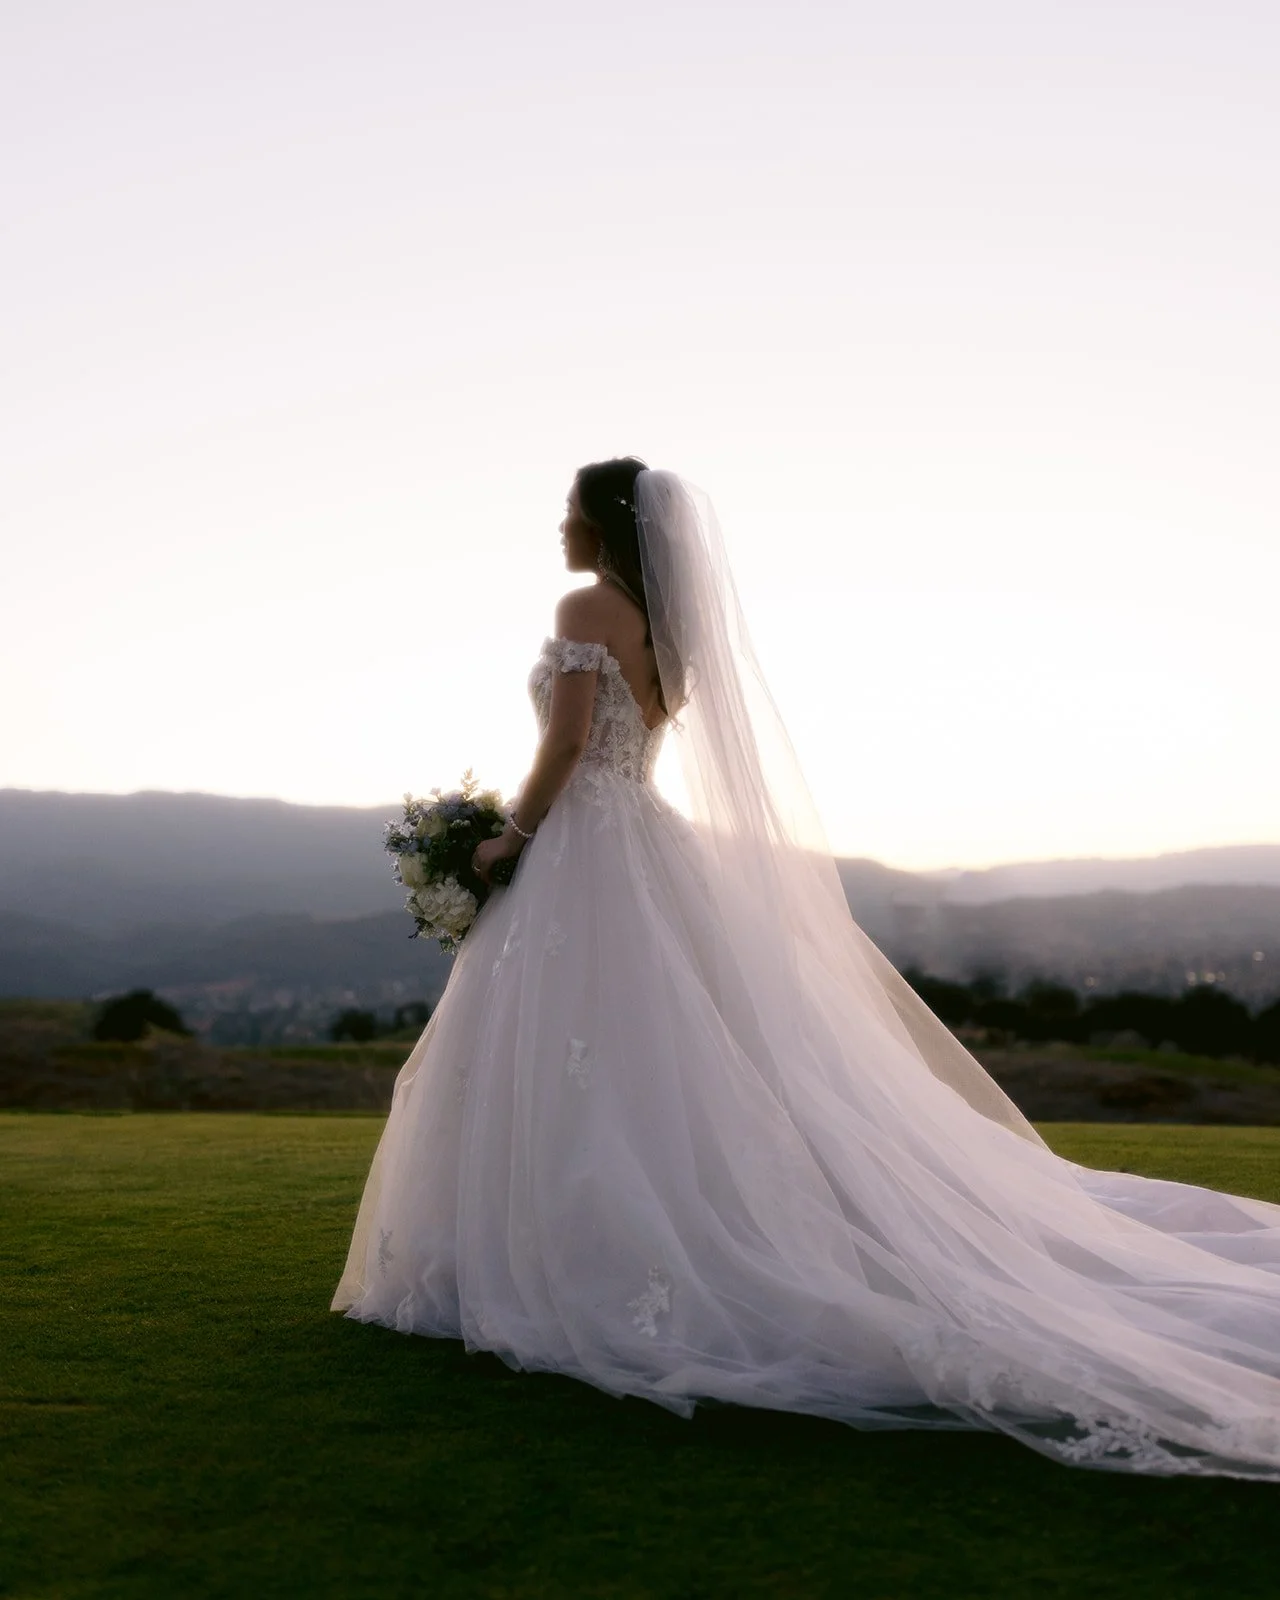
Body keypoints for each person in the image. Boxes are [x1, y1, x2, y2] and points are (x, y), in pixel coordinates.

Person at [333, 458, 1280, 1479]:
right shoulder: (672, 631)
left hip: (580, 851)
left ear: (601, 526)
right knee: (658, 1054)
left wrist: (504, 839)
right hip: (642, 842)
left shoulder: (584, 604)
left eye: (569, 509)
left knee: (585, 1052)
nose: (557, 524)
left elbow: (566, 740)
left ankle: (556, 1261)